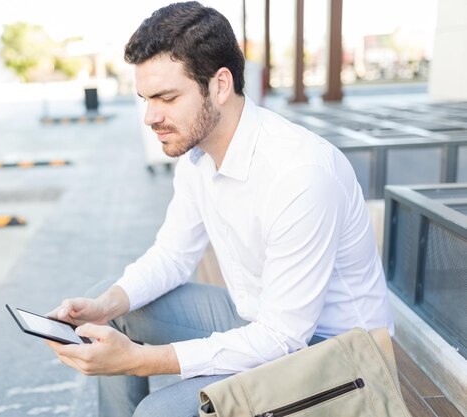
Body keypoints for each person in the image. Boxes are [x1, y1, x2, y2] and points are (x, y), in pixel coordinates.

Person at [45, 2, 394, 416]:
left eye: (167, 97)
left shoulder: (299, 174)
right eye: (145, 98)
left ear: (221, 84)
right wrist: (105, 304)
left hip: (339, 356)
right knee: (120, 311)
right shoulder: (198, 155)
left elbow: (283, 338)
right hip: (260, 320)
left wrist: (138, 359)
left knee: (159, 412)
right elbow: (172, 256)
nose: (150, 116)